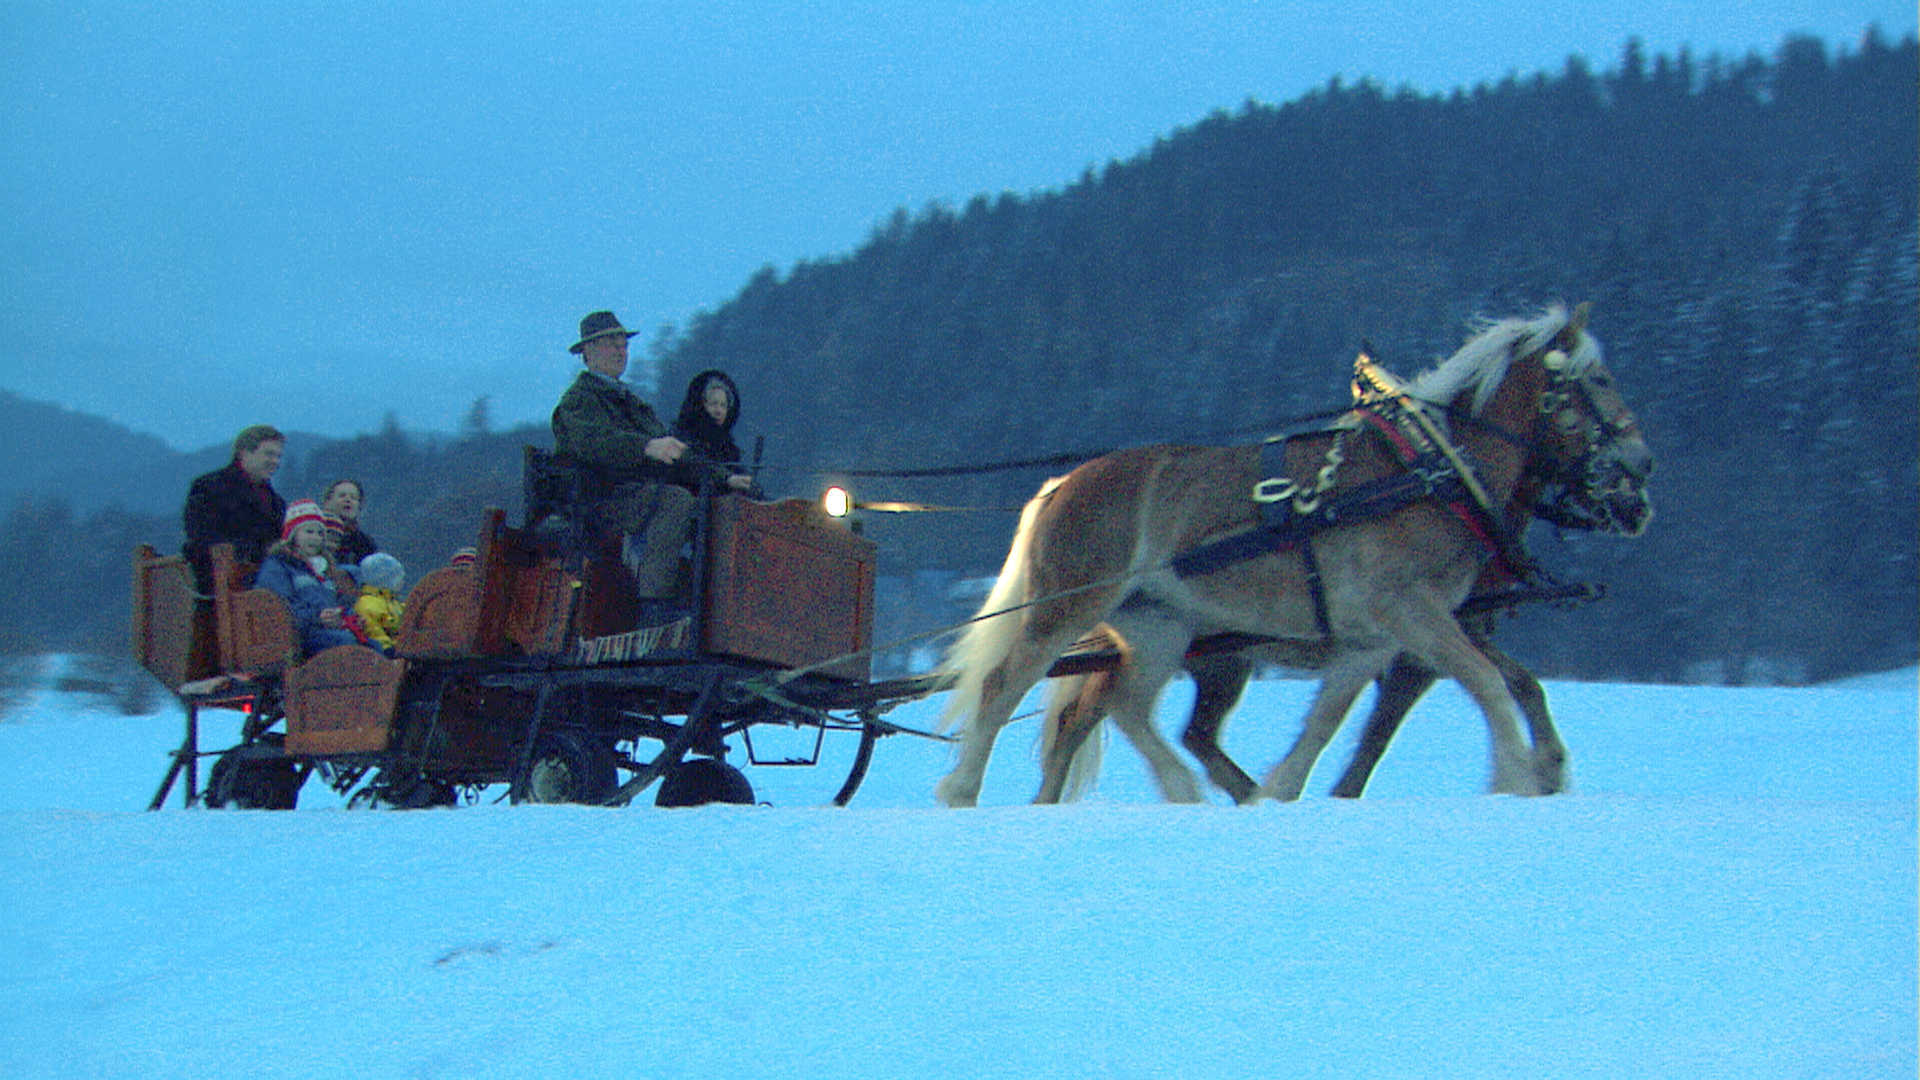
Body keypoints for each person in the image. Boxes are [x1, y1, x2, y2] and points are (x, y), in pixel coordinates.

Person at [552, 310, 727, 626]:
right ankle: (653, 609)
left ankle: (706, 603)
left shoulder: (629, 401)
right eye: (611, 344)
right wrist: (646, 447)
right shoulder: (578, 402)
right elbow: (594, 443)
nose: (621, 351)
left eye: (624, 345)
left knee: (718, 507)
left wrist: (726, 479)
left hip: (636, 494)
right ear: (587, 352)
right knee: (675, 502)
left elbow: (673, 449)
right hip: (601, 500)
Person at [182, 424, 287, 590]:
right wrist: (261, 552)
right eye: (269, 454)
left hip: (271, 582)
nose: (276, 462)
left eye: (279, 456)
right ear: (243, 453)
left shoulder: (277, 503)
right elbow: (201, 538)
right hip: (222, 588)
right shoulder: (209, 487)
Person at [253, 500, 361, 657]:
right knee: (344, 641)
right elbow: (278, 609)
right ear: (293, 535)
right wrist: (318, 617)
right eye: (309, 532)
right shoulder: (279, 566)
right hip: (298, 636)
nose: (315, 538)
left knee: (372, 644)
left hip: (327, 630)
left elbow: (339, 601)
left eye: (320, 533)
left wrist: (349, 616)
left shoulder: (325, 568)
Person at [670, 369, 762, 497]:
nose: (718, 411)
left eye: (723, 405)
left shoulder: (727, 448)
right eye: (713, 404)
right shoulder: (681, 437)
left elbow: (737, 475)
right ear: (701, 406)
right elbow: (692, 467)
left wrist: (750, 485)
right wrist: (726, 480)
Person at [352, 552, 407, 654]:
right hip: (388, 653)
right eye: (398, 578)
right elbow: (374, 633)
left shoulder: (392, 601)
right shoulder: (367, 605)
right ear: (384, 578)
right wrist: (389, 649)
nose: (402, 582)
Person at [320, 479, 379, 566]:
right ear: (327, 502)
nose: (348, 500)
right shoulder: (314, 530)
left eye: (353, 498)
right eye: (342, 496)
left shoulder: (364, 543)